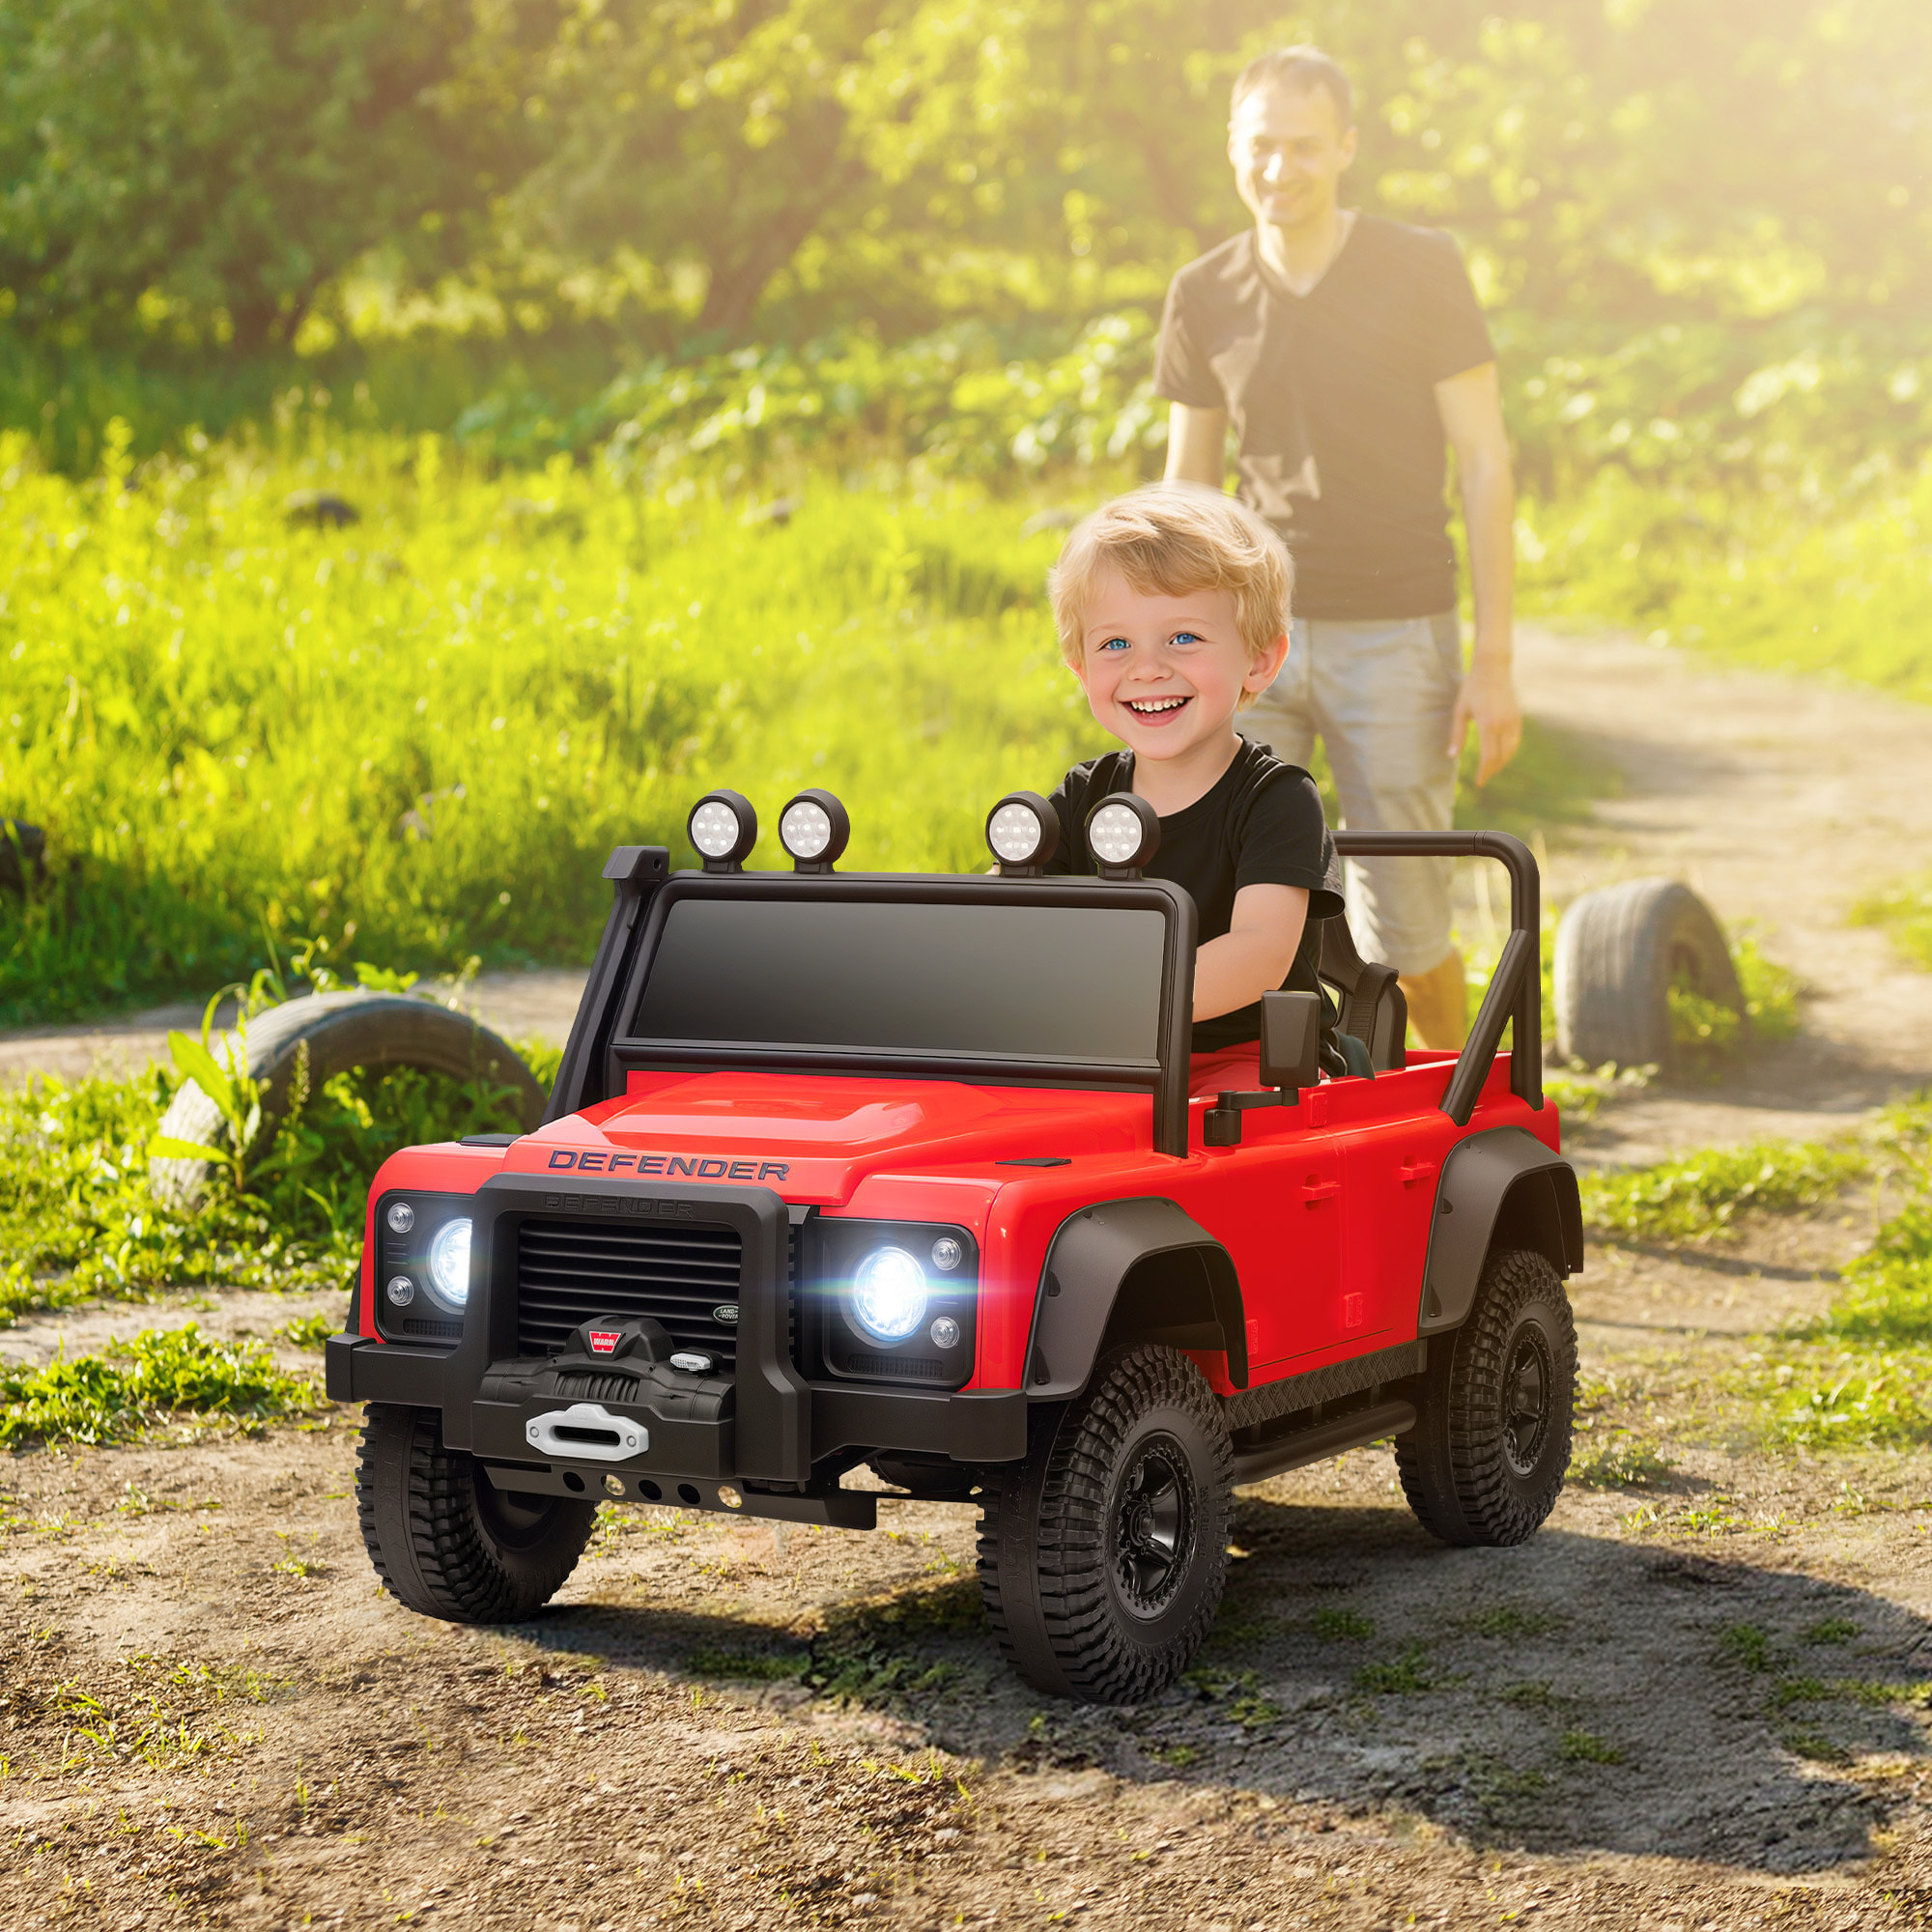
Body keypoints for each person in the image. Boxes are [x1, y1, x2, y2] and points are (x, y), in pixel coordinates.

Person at [1154, 43, 1522, 1049]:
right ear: (1231, 145)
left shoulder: (1419, 267)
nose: (1279, 170)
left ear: (1345, 149)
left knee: (1399, 921)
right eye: (1260, 146)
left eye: (1303, 148)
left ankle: (1454, 1122)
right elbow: (1185, 498)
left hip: (1395, 634)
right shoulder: (1203, 292)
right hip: (1250, 643)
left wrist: (1490, 661)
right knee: (1231, 907)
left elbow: (1484, 460)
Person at [1041, 485, 1346, 1065]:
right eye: (1115, 643)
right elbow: (1009, 916)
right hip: (1109, 1053)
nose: (1148, 668)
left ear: (1259, 660)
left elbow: (1259, 953)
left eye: (1184, 638)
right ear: (1080, 669)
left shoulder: (1276, 799)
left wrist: (1110, 1000)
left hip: (1254, 1062)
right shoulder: (1082, 798)